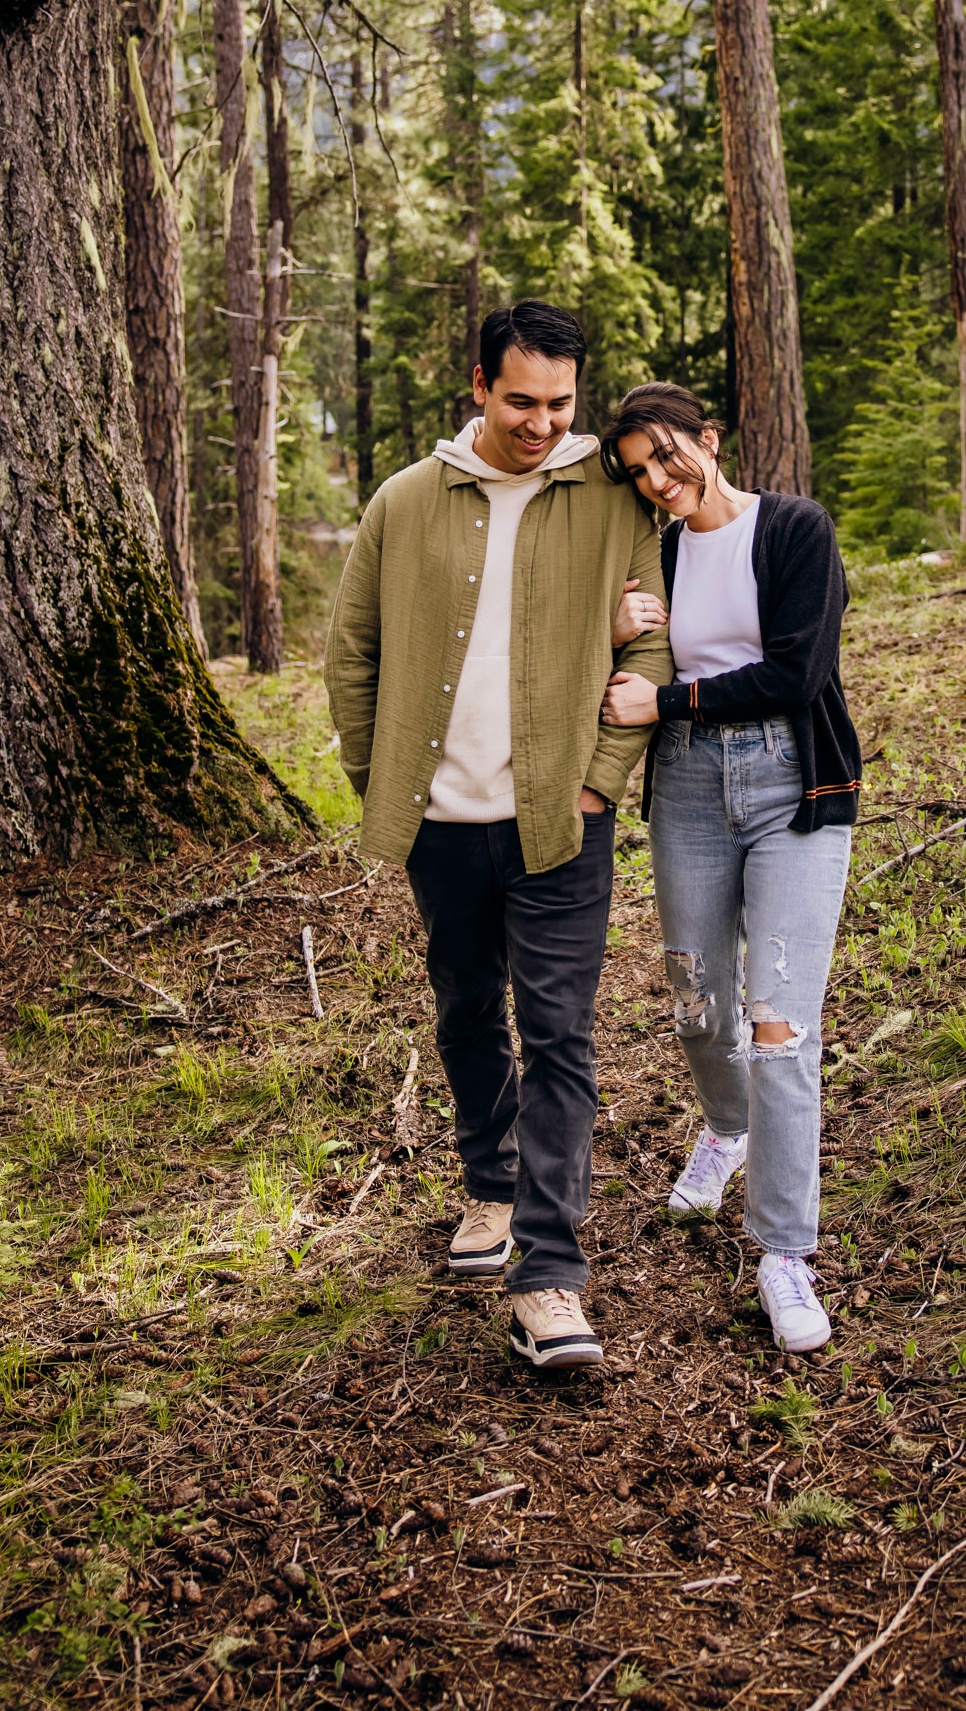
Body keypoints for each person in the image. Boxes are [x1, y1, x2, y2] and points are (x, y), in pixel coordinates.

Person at [324, 303, 672, 1372]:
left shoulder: (611, 502)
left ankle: (549, 1278)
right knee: (467, 1008)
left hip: (559, 821)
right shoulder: (407, 500)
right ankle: (489, 1185)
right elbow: (352, 654)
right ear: (477, 384)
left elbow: (650, 653)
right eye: (520, 400)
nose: (541, 422)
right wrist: (380, 783)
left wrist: (602, 786)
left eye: (559, 403)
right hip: (440, 820)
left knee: (560, 1034)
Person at [598, 383, 861, 1354]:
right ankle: (726, 1126)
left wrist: (665, 704)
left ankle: (784, 1251)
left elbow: (798, 673)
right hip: (690, 792)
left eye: (667, 457)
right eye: (638, 473)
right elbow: (619, 661)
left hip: (793, 786)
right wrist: (616, 626)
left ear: (708, 440)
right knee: (698, 1002)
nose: (658, 483)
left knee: (778, 1023)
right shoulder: (654, 554)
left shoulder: (791, 529)